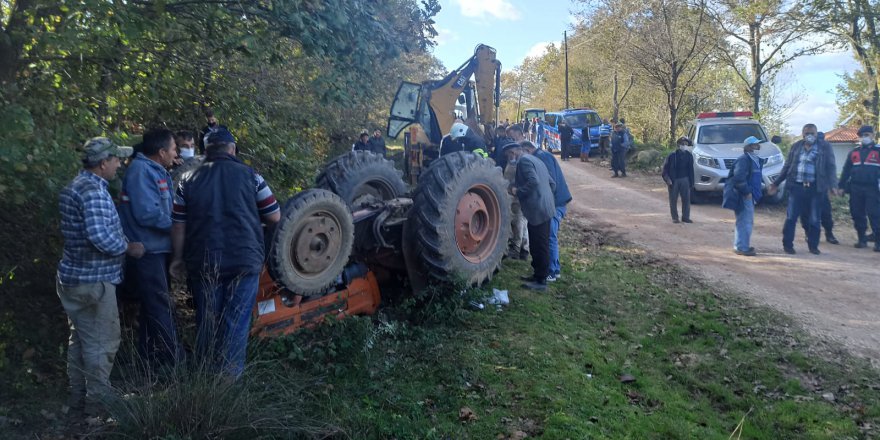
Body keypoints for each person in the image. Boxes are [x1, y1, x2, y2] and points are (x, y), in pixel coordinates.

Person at [170, 129, 281, 378]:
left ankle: (204, 378)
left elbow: (178, 224)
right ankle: (227, 382)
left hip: (204, 261)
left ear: (205, 152)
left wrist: (177, 258)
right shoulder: (251, 175)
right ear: (232, 149)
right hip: (244, 260)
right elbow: (274, 215)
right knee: (235, 322)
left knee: (208, 319)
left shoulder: (187, 179)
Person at [57, 137, 143, 414]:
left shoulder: (76, 185)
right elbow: (98, 236)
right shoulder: (93, 192)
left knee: (80, 340)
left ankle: (78, 397)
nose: (120, 164)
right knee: (102, 341)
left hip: (74, 277)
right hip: (93, 281)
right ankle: (98, 403)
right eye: (116, 159)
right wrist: (128, 247)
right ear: (103, 163)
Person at [119, 128, 183, 366]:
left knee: (150, 307)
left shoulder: (156, 170)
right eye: (174, 149)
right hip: (148, 252)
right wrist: (178, 226)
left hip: (158, 250)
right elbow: (147, 213)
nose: (176, 153)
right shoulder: (140, 171)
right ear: (161, 152)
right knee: (159, 305)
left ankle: (149, 359)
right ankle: (175, 361)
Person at [767, 124, 837, 255]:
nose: (809, 136)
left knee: (815, 219)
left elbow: (831, 167)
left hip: (816, 189)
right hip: (797, 187)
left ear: (816, 134)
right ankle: (788, 245)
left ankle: (813, 246)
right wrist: (776, 183)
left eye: (812, 133)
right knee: (791, 218)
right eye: (806, 133)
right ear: (803, 134)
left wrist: (833, 186)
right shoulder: (796, 146)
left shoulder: (824, 147)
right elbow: (787, 166)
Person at [504, 142, 555, 290]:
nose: (510, 158)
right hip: (544, 207)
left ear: (515, 152)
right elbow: (551, 183)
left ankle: (541, 280)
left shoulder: (524, 161)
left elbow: (534, 181)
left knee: (540, 245)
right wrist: (545, 198)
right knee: (538, 243)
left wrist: (518, 191)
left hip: (538, 209)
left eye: (510, 154)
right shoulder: (536, 159)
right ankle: (538, 274)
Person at [521, 141, 571, 281]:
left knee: (549, 236)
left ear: (527, 150)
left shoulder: (542, 157)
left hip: (555, 203)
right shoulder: (542, 156)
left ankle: (552, 271)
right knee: (548, 236)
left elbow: (550, 182)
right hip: (553, 202)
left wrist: (545, 202)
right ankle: (551, 269)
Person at [838, 125, 880, 250]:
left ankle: (878, 242)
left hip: (873, 188)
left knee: (874, 214)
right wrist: (841, 186)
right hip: (855, 188)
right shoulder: (854, 152)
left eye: (867, 135)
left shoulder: (878, 151)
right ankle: (862, 239)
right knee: (857, 213)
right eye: (862, 135)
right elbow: (846, 170)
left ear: (873, 135)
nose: (864, 137)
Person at [722, 136, 764, 256]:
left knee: (745, 221)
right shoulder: (744, 160)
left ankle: (741, 245)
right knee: (745, 221)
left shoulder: (754, 160)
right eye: (755, 145)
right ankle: (741, 247)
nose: (758, 147)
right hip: (744, 196)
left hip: (750, 195)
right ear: (749, 147)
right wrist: (747, 192)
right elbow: (739, 178)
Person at [799, 131, 839, 244]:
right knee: (805, 212)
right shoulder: (802, 147)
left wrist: (833, 185)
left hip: (820, 186)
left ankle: (829, 233)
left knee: (825, 212)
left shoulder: (826, 149)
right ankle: (808, 233)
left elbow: (831, 167)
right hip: (805, 186)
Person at [503, 142, 529, 261]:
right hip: (513, 196)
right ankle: (524, 249)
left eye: (511, 153)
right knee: (521, 222)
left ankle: (517, 249)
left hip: (518, 197)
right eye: (508, 154)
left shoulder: (521, 163)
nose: (510, 155)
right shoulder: (511, 163)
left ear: (515, 151)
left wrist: (515, 190)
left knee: (518, 222)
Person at [662, 136, 695, 223]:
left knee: (686, 200)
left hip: (685, 180)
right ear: (678, 145)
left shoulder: (689, 156)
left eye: (686, 144)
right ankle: (675, 218)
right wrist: (668, 180)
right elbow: (665, 170)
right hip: (674, 180)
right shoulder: (672, 156)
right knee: (673, 200)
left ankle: (685, 217)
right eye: (682, 144)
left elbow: (691, 170)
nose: (684, 146)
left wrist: (692, 182)